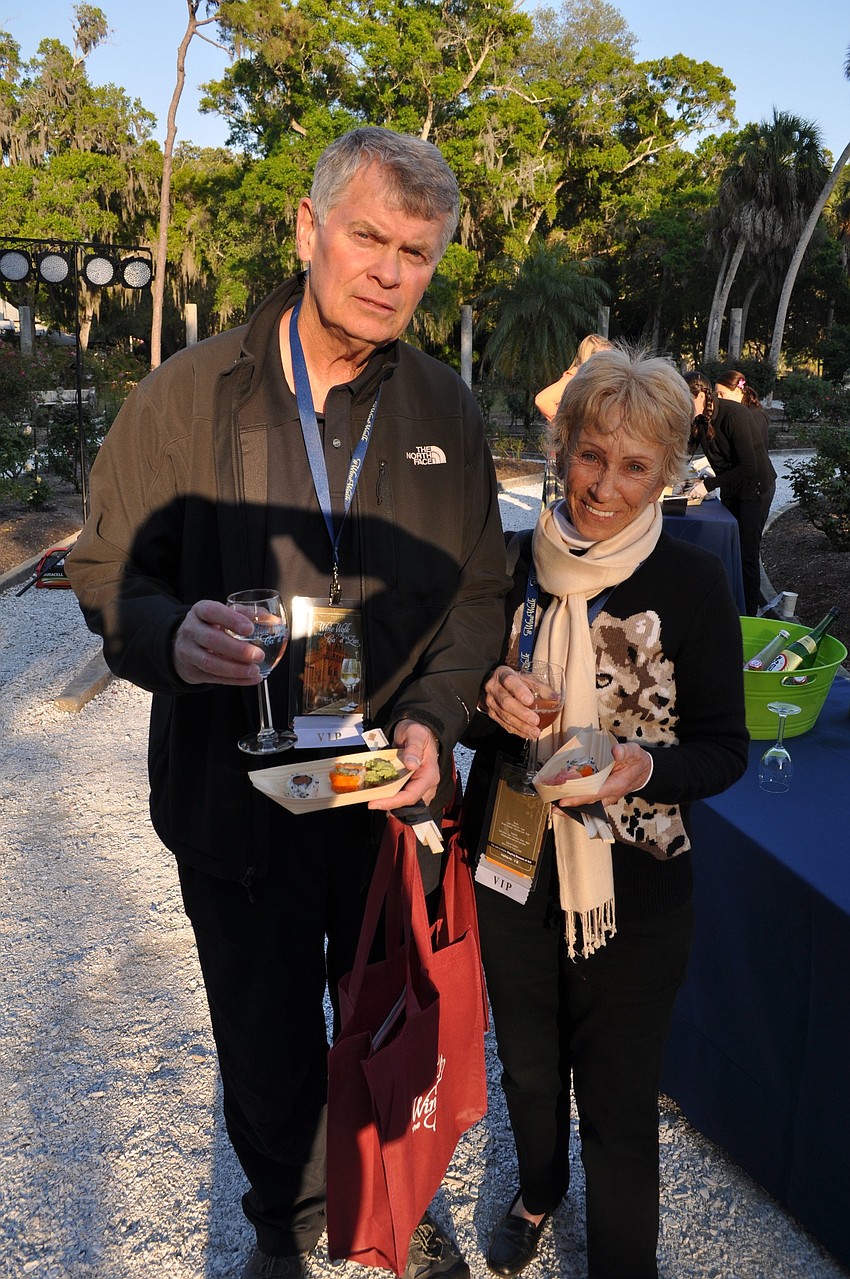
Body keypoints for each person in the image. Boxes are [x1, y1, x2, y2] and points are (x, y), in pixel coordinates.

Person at [66, 127, 509, 1279]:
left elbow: (477, 590)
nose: (389, 270)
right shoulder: (184, 395)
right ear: (308, 230)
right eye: (368, 236)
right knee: (264, 1044)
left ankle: (387, 1207)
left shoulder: (447, 414)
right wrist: (174, 634)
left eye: (417, 252)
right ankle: (287, 1217)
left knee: (385, 1026)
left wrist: (438, 713)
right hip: (233, 798)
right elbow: (110, 567)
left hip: (384, 796)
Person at [462, 348, 748, 1279]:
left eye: (634, 466)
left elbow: (724, 749)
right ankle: (539, 1188)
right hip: (513, 865)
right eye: (592, 455)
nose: (605, 485)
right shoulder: (517, 567)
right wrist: (492, 703)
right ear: (562, 448)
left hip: (638, 890)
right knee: (532, 1072)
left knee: (620, 1102)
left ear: (666, 471)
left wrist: (642, 767)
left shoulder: (696, 582)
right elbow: (466, 704)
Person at [684, 371, 776, 615]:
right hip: (732, 486)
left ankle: (748, 614)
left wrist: (708, 485)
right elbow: (684, 451)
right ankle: (729, 606)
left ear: (700, 395)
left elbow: (749, 467)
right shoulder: (698, 419)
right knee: (730, 548)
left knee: (746, 553)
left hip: (755, 487)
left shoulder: (735, 415)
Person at [534, 334, 611, 423]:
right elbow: (542, 400)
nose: (608, 361)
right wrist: (565, 426)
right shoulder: (574, 379)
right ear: (588, 357)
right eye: (603, 357)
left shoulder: (596, 380)